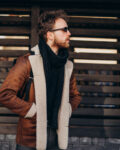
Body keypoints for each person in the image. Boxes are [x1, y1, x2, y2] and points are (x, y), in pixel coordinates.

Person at [0, 10, 81, 150]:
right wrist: (32, 111)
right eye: (64, 30)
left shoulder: (67, 66)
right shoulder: (27, 62)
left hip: (56, 139)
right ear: (49, 35)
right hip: (29, 140)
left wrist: (65, 110)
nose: (69, 33)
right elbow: (4, 94)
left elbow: (75, 96)